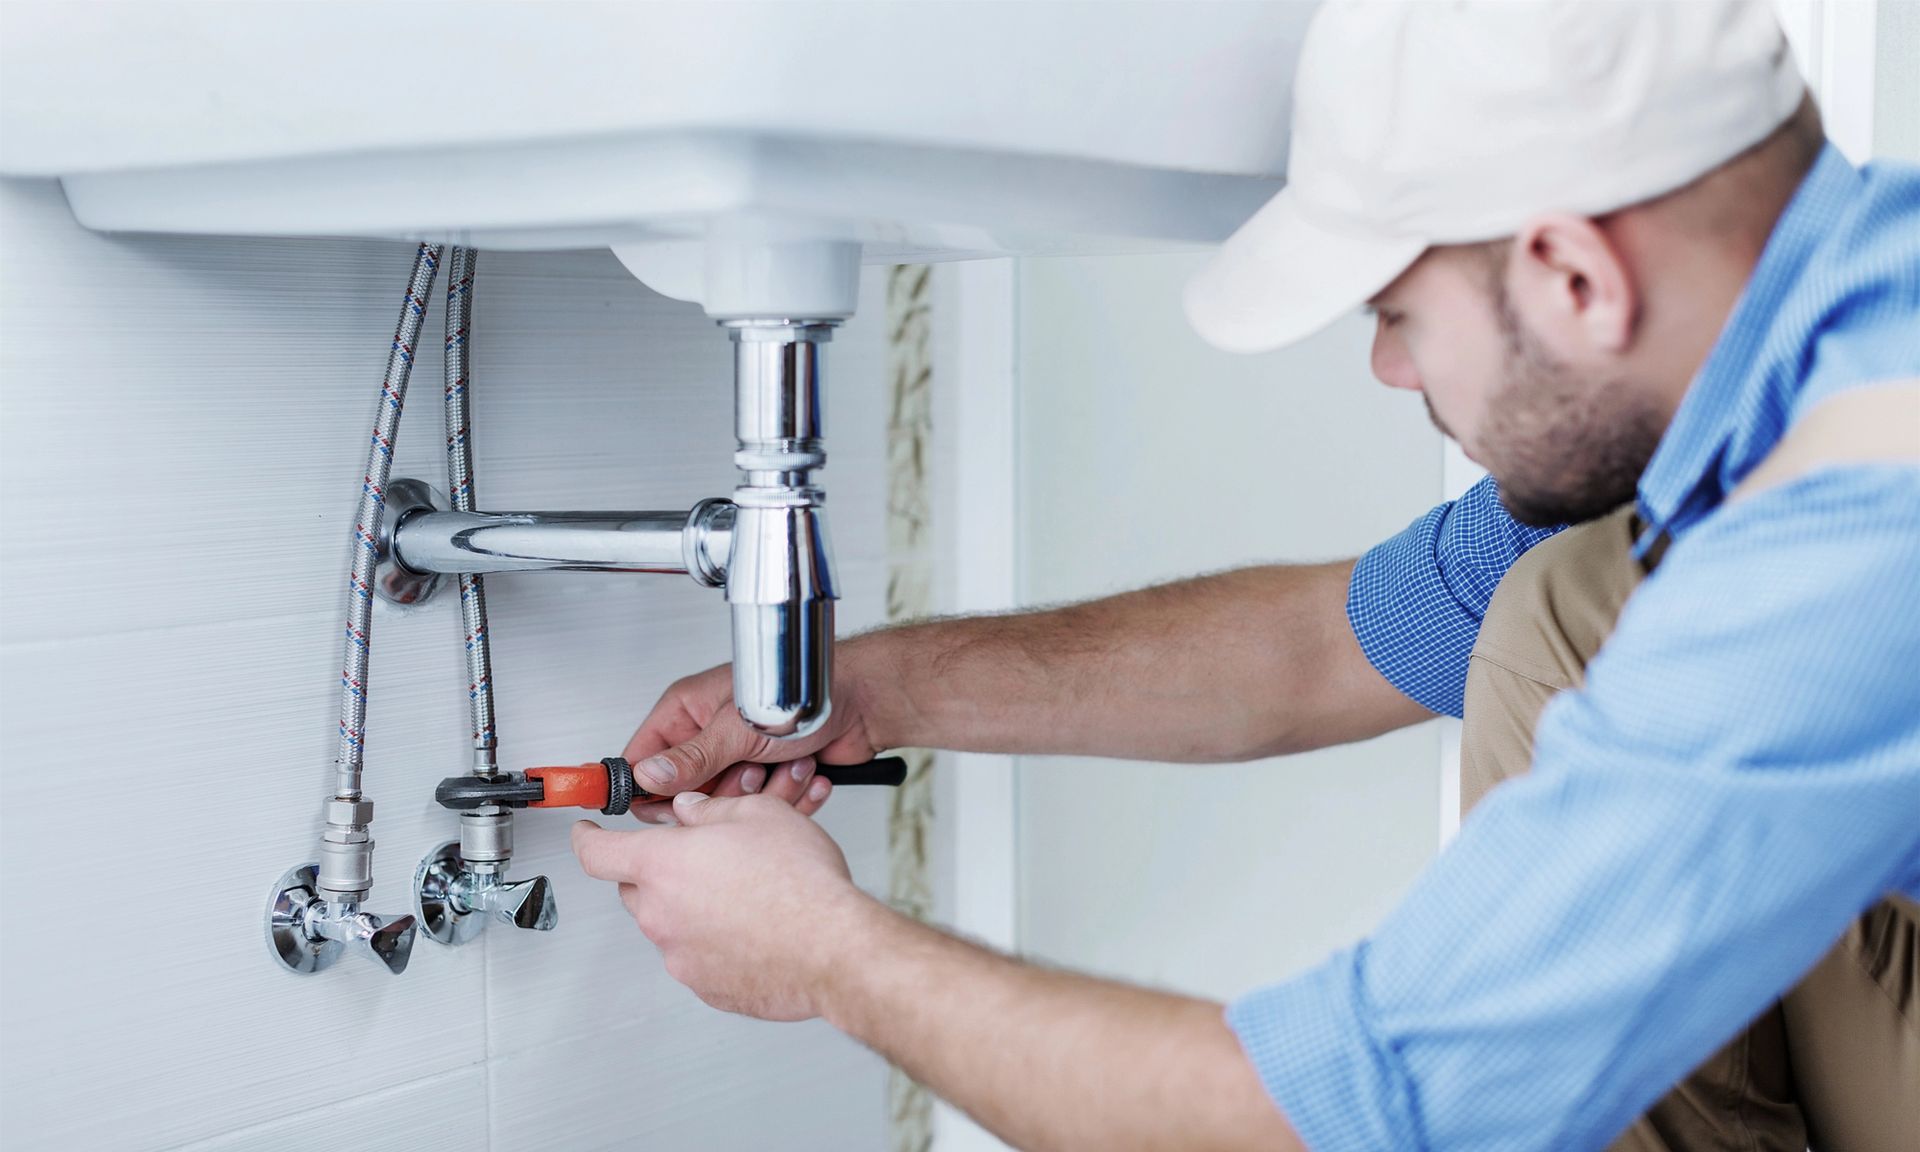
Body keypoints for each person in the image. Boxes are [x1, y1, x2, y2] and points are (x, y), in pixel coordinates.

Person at [570, 1, 1920, 1148]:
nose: (1389, 369)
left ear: (1573, 277)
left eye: (1396, 312)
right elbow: (1332, 646)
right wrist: (868, 690)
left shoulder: (1856, 531)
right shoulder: (1815, 356)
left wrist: (829, 955)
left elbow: (1383, 1108)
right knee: (1559, 606)